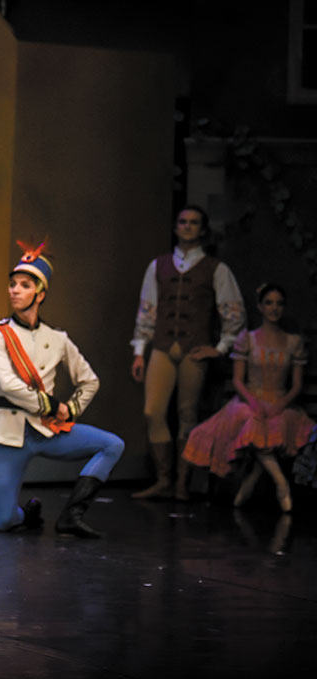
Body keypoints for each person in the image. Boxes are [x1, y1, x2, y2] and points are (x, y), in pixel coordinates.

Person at [0, 242, 124, 538]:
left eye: (24, 285)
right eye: (12, 284)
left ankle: (72, 515)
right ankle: (28, 515)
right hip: (10, 432)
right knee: (5, 521)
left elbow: (90, 380)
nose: (15, 291)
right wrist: (54, 406)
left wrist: (72, 410)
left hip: (47, 430)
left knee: (112, 445)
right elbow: (8, 385)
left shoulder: (57, 338)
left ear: (40, 294)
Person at [131, 205, 244, 501]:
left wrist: (220, 347)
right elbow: (148, 309)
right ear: (176, 227)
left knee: (187, 413)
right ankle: (164, 479)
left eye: (194, 223)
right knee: (153, 411)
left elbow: (232, 312)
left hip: (194, 349)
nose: (188, 227)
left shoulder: (215, 268)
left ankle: (182, 482)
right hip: (162, 346)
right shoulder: (158, 266)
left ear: (203, 230)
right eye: (183, 222)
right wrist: (140, 350)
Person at [182, 284, 313, 511]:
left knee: (274, 425)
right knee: (253, 422)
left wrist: (280, 404)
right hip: (249, 400)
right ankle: (281, 484)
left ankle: (251, 479)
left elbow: (297, 385)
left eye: (279, 303)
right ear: (260, 307)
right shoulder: (248, 339)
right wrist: (253, 402)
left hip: (279, 402)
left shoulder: (293, 342)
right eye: (269, 303)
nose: (274, 308)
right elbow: (238, 380)